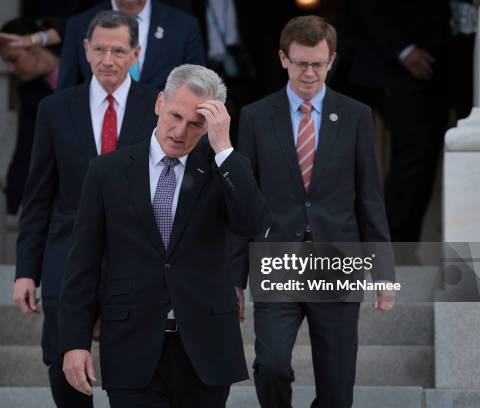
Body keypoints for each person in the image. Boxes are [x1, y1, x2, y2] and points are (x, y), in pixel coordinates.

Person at [59, 64, 272, 407]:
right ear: (159, 102)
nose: (180, 131)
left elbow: (255, 225)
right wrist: (74, 342)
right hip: (131, 345)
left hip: (206, 348)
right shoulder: (106, 172)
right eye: (175, 115)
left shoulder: (224, 168)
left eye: (196, 124)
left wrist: (224, 149)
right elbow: (82, 263)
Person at [233, 16, 396, 408]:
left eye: (318, 64)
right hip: (276, 259)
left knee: (337, 388)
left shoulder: (356, 115)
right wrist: (234, 279)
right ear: (283, 59)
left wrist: (384, 271)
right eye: (301, 63)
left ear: (332, 60)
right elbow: (243, 202)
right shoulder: (255, 117)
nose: (310, 73)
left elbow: (369, 197)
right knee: (270, 365)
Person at [13, 11, 158, 408]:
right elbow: (38, 195)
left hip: (134, 260)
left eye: (118, 50)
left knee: (131, 372)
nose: (108, 59)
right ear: (85, 50)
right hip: (67, 257)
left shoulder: (160, 108)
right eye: (100, 49)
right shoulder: (55, 109)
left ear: (136, 53)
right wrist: (27, 269)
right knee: (63, 364)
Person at [335, 0, 451, 242]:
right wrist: (403, 49)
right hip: (381, 62)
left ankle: (395, 240)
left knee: (420, 151)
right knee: (411, 147)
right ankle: (386, 240)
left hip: (436, 63)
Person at [0, 17, 62, 214]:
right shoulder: (30, 93)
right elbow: (25, 149)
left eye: (14, 60)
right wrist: (10, 209)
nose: (11, 69)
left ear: (34, 46)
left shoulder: (83, 62)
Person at [57, 0, 206, 90]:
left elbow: (199, 91)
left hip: (161, 136)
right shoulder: (79, 26)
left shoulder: (183, 26)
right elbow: (66, 95)